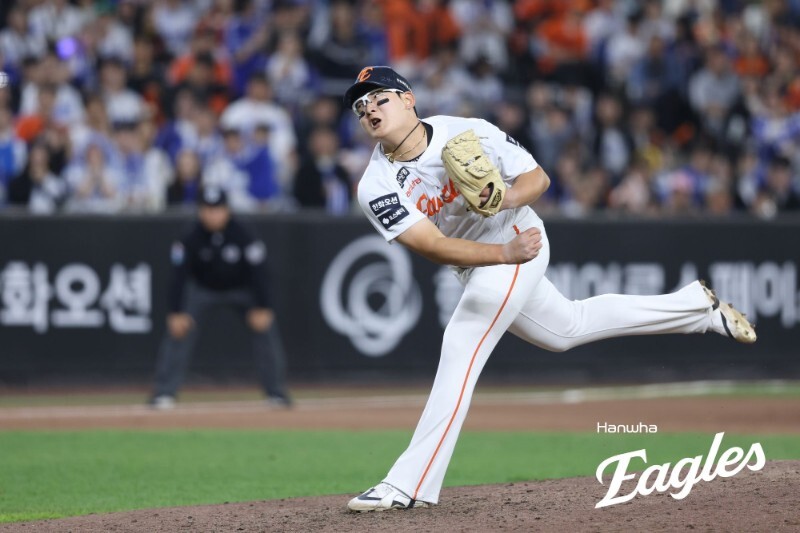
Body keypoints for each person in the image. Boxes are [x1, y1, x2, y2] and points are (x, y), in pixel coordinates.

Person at [342, 66, 757, 512]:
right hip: (489, 258)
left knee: (462, 342)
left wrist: (504, 198)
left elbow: (538, 178)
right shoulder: (375, 184)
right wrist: (502, 255)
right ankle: (696, 308)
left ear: (409, 99)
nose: (370, 110)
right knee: (567, 329)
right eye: (361, 106)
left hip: (518, 235)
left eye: (380, 98)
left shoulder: (465, 131)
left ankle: (409, 484)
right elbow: (433, 246)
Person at [149, 186, 292, 409]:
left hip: (242, 289)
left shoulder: (242, 233)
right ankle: (164, 392)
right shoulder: (190, 236)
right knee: (179, 329)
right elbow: (178, 276)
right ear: (200, 211)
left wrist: (263, 306)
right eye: (208, 209)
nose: (213, 215)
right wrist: (176, 311)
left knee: (265, 329)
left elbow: (260, 272)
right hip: (203, 289)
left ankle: (276, 393)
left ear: (227, 210)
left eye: (217, 209)